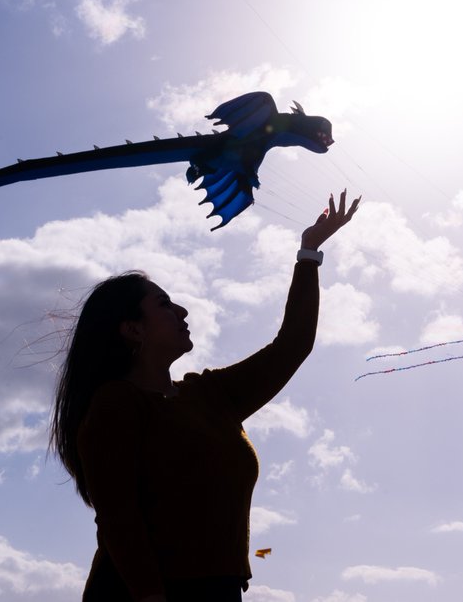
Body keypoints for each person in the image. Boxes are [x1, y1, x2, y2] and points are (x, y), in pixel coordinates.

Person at [50, 191, 361, 601]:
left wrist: (309, 251)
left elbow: (292, 346)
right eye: (164, 304)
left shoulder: (210, 395)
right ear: (133, 329)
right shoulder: (114, 405)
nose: (182, 311)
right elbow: (120, 521)